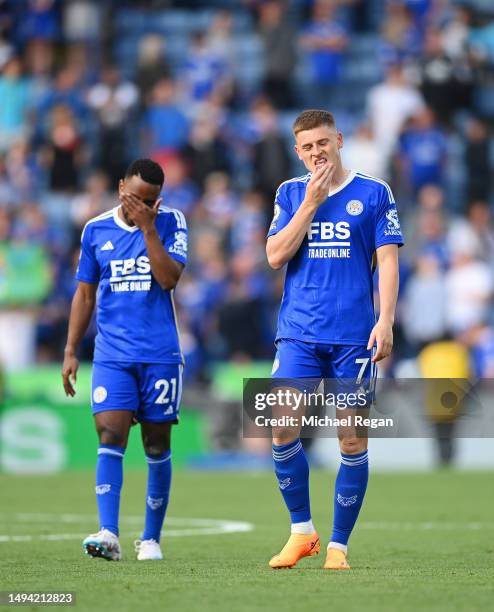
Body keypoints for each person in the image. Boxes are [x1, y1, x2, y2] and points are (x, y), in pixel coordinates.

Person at [265, 110, 403, 570]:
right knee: (281, 429)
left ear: (339, 140)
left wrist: (385, 321)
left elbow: (387, 261)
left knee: (351, 439)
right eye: (306, 147)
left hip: (353, 339)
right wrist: (309, 203)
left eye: (323, 143)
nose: (316, 152)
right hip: (299, 335)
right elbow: (274, 256)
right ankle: (301, 532)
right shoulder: (289, 193)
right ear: (297, 150)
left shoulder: (374, 192)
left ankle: (339, 547)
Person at [61, 158, 187, 561]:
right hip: (113, 355)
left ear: (158, 201)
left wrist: (149, 228)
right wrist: (70, 350)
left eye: (147, 201)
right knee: (110, 434)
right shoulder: (95, 230)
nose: (138, 206)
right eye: (133, 198)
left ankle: (151, 539)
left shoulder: (172, 222)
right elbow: (84, 295)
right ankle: (108, 533)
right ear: (120, 188)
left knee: (155, 443)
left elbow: (168, 279)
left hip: (160, 355)